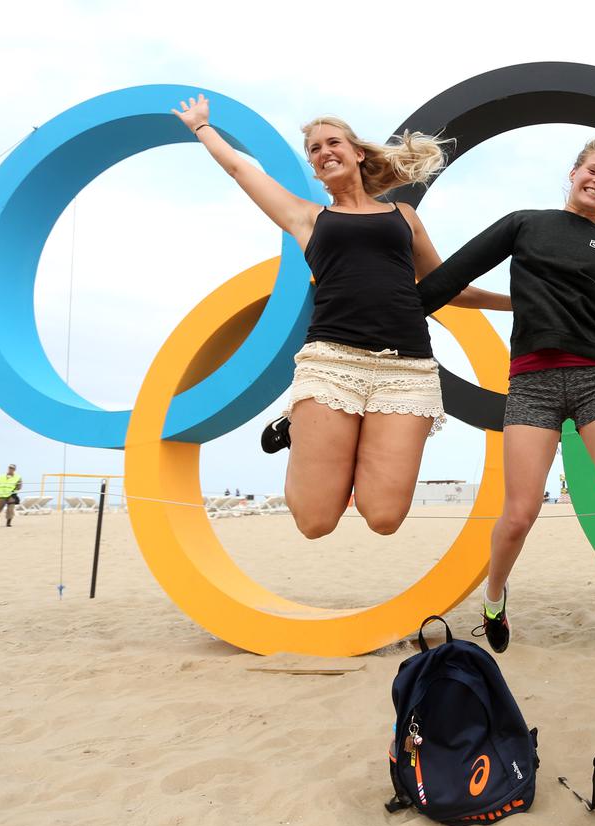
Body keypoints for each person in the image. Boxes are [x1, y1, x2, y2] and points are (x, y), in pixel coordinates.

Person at [172, 95, 509, 540]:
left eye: (333, 143)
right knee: (316, 522)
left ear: (357, 152)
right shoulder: (308, 218)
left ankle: (321, 433)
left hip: (405, 370)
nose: (324, 151)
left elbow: (449, 287)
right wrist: (201, 127)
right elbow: (240, 169)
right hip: (332, 364)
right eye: (315, 148)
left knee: (383, 517)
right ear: (313, 167)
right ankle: (306, 425)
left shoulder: (403, 218)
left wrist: (514, 302)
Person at [419, 117, 595, 654]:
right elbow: (450, 278)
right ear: (574, 173)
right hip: (532, 386)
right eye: (593, 170)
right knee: (519, 514)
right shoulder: (524, 224)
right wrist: (397, 316)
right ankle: (494, 601)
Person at [0, 463, 22, 527]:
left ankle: (8, 523)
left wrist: (14, 492)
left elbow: (19, 486)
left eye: (12, 468)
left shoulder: (18, 477)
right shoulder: (1, 476)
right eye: (10, 468)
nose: (10, 469)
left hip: (11, 495)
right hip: (1, 495)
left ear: (14, 469)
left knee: (10, 509)